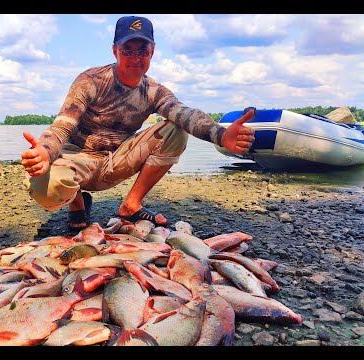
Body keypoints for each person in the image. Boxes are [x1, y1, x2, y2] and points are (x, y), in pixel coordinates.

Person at [21, 15, 255, 230]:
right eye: (127, 50)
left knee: (176, 130)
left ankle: (131, 205)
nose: (135, 58)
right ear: (115, 51)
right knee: (45, 188)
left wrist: (221, 135)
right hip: (76, 159)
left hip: (115, 160)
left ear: (152, 52)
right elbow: (62, 125)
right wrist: (45, 151)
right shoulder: (90, 80)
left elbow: (184, 113)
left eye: (142, 51)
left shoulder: (153, 91)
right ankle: (77, 204)